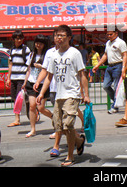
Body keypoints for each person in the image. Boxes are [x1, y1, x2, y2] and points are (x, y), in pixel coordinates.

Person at [37, 25, 90, 167]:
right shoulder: (53, 55)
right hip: (59, 95)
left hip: (72, 94)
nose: (58, 38)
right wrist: (41, 93)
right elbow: (49, 77)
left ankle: (70, 156)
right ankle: (79, 141)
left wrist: (86, 95)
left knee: (68, 125)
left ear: (69, 38)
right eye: (56, 36)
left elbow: (82, 74)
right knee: (59, 126)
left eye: (61, 35)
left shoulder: (74, 53)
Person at [22, 35, 53, 138]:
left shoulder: (47, 55)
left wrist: (41, 66)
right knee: (32, 106)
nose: (38, 45)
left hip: (43, 84)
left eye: (40, 43)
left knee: (41, 107)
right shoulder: (32, 55)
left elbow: (49, 70)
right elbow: (29, 70)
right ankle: (33, 129)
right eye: (36, 43)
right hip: (31, 82)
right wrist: (25, 82)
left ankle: (54, 118)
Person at [92, 29, 127, 114]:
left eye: (110, 34)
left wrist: (123, 68)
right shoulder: (108, 43)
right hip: (109, 66)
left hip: (118, 65)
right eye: (107, 34)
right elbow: (105, 55)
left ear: (116, 33)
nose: (109, 36)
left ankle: (115, 106)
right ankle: (116, 101)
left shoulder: (121, 42)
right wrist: (97, 65)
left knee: (116, 87)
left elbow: (125, 55)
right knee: (105, 86)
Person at [6, 30, 31, 127]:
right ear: (13, 39)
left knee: (19, 98)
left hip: (21, 77)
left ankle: (18, 119)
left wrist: (26, 79)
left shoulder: (26, 49)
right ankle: (27, 112)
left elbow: (29, 65)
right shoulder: (12, 50)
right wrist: (8, 78)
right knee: (14, 97)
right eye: (17, 38)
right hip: (14, 78)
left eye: (20, 38)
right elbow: (10, 64)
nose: (19, 40)